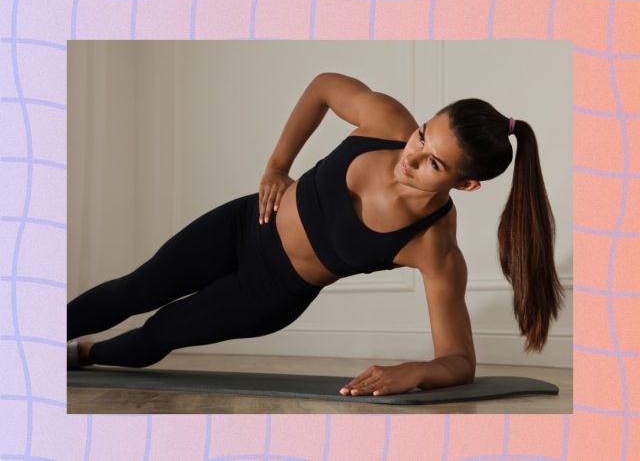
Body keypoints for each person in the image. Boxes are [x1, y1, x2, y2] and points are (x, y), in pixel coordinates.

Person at [67, 72, 564, 397]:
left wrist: (413, 371)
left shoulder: (433, 244)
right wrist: (277, 167)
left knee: (162, 331)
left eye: (434, 163)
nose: (410, 158)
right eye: (422, 136)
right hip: (246, 223)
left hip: (268, 293)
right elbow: (324, 86)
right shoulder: (387, 121)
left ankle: (85, 354)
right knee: (134, 288)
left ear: (465, 184)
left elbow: (459, 362)